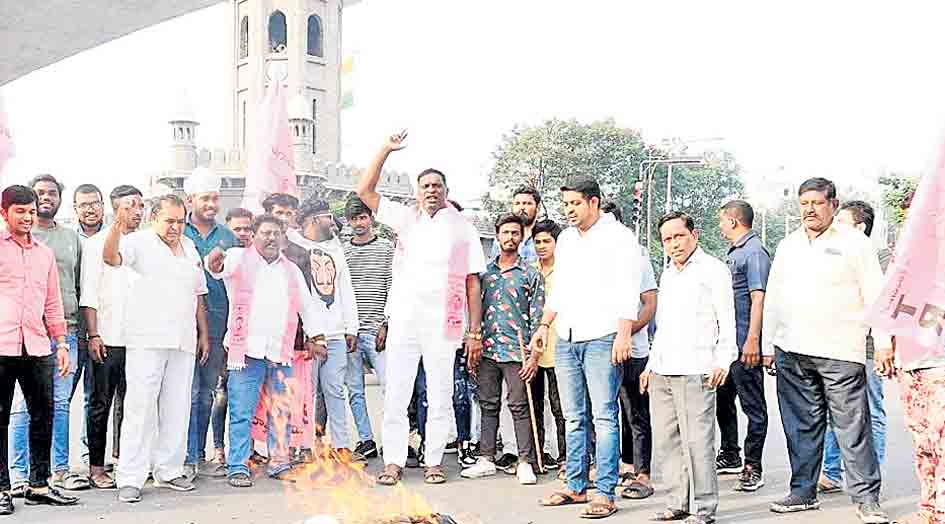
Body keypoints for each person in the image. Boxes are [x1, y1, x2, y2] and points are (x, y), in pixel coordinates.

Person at [357, 131, 486, 486]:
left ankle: (433, 461)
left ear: (446, 191)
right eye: (425, 186)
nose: (431, 190)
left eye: (436, 186)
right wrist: (385, 149)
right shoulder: (405, 218)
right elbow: (364, 191)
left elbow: (473, 283)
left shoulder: (464, 229)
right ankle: (393, 461)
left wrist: (474, 332)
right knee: (396, 393)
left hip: (444, 325)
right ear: (416, 192)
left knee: (440, 393)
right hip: (404, 321)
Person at [763, 177, 889, 523]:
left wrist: (883, 343)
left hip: (840, 351)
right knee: (801, 427)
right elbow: (774, 297)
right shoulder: (788, 245)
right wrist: (767, 344)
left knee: (853, 428)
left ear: (833, 204)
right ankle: (803, 492)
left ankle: (867, 498)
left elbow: (875, 294)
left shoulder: (855, 243)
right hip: (792, 349)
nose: (810, 210)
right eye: (804, 204)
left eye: (817, 203)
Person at [533, 176, 641, 520]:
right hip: (566, 337)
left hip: (603, 336)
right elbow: (560, 289)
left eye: (575, 203)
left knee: (604, 416)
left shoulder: (620, 238)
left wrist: (623, 335)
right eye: (565, 204)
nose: (569, 210)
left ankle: (605, 492)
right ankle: (576, 486)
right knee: (573, 417)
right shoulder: (566, 240)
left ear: (594, 202)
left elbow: (629, 290)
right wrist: (544, 325)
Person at [204, 214, 327, 487]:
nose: (271, 238)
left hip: (280, 352)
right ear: (254, 236)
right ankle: (238, 466)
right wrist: (212, 262)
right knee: (241, 412)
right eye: (265, 233)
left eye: (276, 234)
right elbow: (217, 268)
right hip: (246, 352)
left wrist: (318, 338)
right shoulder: (238, 258)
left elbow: (307, 307)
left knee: (281, 411)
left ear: (283, 238)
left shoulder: (291, 270)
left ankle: (279, 463)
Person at [105, 193, 210, 504]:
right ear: (154, 219)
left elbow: (198, 294)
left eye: (180, 221)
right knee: (140, 409)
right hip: (147, 340)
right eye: (169, 221)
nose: (175, 227)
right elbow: (111, 258)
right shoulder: (137, 242)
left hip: (183, 340)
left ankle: (169, 469)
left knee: (178, 406)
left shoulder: (189, 247)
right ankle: (130, 477)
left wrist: (204, 334)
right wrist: (117, 226)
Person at [640, 211, 736, 524]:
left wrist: (723, 360)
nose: (674, 244)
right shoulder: (668, 273)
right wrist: (650, 365)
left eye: (679, 236)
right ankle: (676, 503)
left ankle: (704, 508)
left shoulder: (713, 270)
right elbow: (663, 326)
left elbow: (727, 319)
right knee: (668, 442)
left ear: (694, 235)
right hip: (663, 370)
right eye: (667, 239)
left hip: (697, 369)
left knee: (698, 443)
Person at [0, 185, 78, 515]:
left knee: (43, 415)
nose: (27, 217)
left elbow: (53, 303)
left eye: (31, 211)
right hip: (2, 345)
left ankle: (38, 485)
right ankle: (2, 489)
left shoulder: (44, 254)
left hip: (37, 346)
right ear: (4, 213)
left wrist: (61, 344)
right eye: (19, 211)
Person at [462, 214, 544, 485]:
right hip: (487, 348)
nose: (510, 237)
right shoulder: (484, 273)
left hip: (517, 350)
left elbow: (538, 317)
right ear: (497, 236)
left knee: (519, 406)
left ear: (522, 237)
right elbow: (473, 310)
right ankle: (486, 458)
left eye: (515, 233)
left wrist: (534, 355)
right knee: (488, 404)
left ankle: (525, 461)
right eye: (505, 232)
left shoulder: (531, 273)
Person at [817, 200, 888, 494]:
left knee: (871, 411)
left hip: (868, 348)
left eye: (842, 222)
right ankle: (831, 472)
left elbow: (883, 307)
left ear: (860, 228)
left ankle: (872, 474)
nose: (835, 227)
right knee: (836, 412)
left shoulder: (881, 260)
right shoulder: (836, 259)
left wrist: (884, 345)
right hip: (839, 347)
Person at [284, 197, 361, 462]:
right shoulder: (294, 248)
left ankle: (341, 445)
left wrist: (352, 327)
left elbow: (346, 289)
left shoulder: (335, 249)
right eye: (328, 217)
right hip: (309, 336)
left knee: (335, 391)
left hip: (336, 333)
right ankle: (303, 447)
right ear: (315, 219)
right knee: (305, 394)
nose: (333, 222)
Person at [80, 185, 144, 490]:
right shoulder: (96, 245)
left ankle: (125, 463)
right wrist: (94, 334)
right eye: (129, 206)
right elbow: (89, 294)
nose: (136, 212)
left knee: (133, 405)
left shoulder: (148, 243)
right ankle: (96, 467)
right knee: (100, 403)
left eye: (140, 206)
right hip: (108, 336)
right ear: (115, 209)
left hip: (141, 339)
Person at [182, 168, 240, 480]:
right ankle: (184, 454)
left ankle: (197, 454)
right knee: (184, 393)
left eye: (215, 199)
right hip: (180, 323)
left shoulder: (228, 238)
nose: (211, 204)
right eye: (205, 198)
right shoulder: (177, 231)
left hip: (217, 324)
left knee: (206, 393)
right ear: (190, 200)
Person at [716, 200, 771, 492]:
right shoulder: (737, 251)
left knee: (753, 408)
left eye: (722, 221)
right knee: (722, 400)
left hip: (744, 344)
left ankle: (753, 467)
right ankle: (730, 453)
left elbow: (758, 298)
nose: (720, 226)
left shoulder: (754, 252)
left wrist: (752, 340)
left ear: (734, 221)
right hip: (728, 345)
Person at [342, 196, 394, 460]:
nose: (359, 223)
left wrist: (387, 324)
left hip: (378, 331)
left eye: (363, 217)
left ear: (371, 218)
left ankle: (393, 440)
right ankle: (366, 440)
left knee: (390, 388)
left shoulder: (386, 248)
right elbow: (341, 292)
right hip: (351, 333)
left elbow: (392, 287)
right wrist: (347, 329)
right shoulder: (343, 252)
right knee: (354, 390)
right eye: (354, 219)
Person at [210, 206, 253, 467]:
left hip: (253, 339)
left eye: (248, 228)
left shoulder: (259, 258)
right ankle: (218, 447)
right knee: (222, 393)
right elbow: (213, 270)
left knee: (247, 397)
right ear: (227, 229)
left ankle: (249, 449)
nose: (243, 233)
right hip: (224, 335)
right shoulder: (225, 258)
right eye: (237, 229)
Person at [528, 219, 567, 472]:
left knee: (560, 407)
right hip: (531, 350)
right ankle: (536, 456)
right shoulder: (528, 271)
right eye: (537, 242)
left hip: (558, 348)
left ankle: (566, 458)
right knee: (534, 406)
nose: (542, 246)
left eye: (547, 241)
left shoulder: (566, 271)